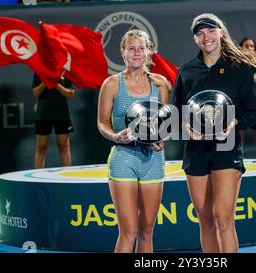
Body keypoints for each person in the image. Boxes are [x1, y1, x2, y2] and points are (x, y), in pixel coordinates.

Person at [172, 14, 256, 253]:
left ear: (221, 32)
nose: (206, 37)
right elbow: (175, 113)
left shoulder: (241, 69)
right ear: (195, 39)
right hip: (196, 150)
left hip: (226, 147)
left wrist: (233, 122)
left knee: (224, 219)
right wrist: (187, 129)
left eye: (210, 31)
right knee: (206, 220)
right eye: (200, 33)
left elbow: (254, 113)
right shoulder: (186, 71)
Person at [97, 29, 170, 253]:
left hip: (153, 160)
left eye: (141, 48)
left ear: (149, 51)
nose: (136, 53)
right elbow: (101, 123)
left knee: (147, 230)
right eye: (131, 48)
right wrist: (115, 136)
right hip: (123, 158)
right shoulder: (111, 84)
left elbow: (164, 125)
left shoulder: (160, 84)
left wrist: (161, 140)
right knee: (128, 231)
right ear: (123, 53)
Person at [32, 72, 75, 168]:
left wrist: (56, 84)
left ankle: (66, 177)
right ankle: (38, 179)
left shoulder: (65, 71)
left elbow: (70, 94)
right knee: (41, 147)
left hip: (61, 113)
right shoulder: (40, 70)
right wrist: (46, 82)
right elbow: (35, 92)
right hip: (43, 114)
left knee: (64, 146)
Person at [238, 37, 256, 159]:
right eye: (247, 46)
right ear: (241, 48)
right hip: (242, 106)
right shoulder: (237, 64)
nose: (250, 48)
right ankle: (237, 164)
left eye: (252, 46)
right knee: (239, 139)